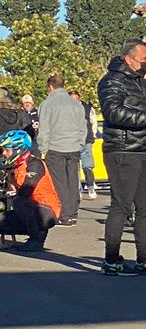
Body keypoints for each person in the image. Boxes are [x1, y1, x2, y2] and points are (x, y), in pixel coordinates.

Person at [98, 41, 146, 276]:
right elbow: (113, 112)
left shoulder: (143, 84)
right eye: (144, 59)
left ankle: (143, 258)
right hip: (123, 151)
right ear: (129, 59)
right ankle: (111, 259)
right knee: (121, 206)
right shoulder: (111, 81)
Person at [35, 73, 88, 226]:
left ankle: (63, 214)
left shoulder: (47, 104)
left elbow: (44, 128)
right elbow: (83, 127)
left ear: (50, 87)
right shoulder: (76, 104)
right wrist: (80, 143)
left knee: (59, 182)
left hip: (55, 147)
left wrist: (43, 148)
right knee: (73, 180)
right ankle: (73, 213)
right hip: (74, 148)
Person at [0, 130, 60, 250]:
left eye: (7, 150)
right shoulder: (15, 166)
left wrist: (9, 193)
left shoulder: (35, 164)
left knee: (19, 200)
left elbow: (26, 190)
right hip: (29, 209)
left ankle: (36, 240)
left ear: (18, 149)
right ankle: (36, 236)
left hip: (47, 211)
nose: (4, 154)